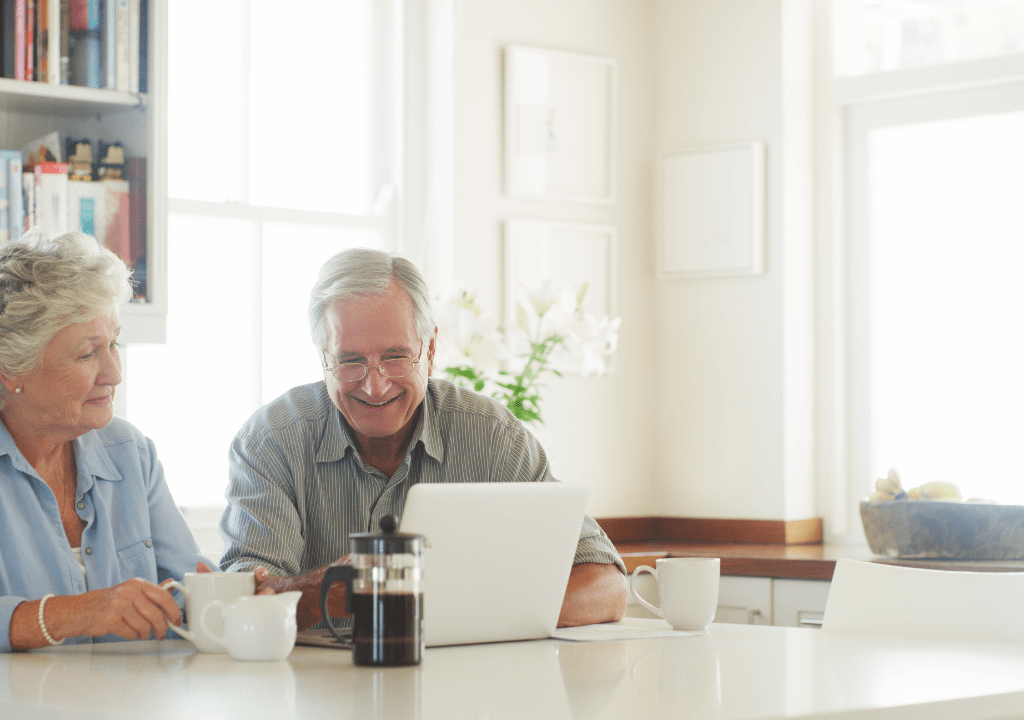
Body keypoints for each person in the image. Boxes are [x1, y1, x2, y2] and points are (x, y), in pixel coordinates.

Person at [219, 248, 628, 630]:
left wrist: (447, 610)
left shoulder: (491, 436)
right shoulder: (271, 441)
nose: (375, 387)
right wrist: (325, 592)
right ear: (324, 359)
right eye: (350, 361)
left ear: (430, 350)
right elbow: (244, 597)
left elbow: (605, 585)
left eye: (395, 357)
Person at [0, 229, 214, 652]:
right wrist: (72, 612)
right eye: (87, 354)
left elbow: (192, 591)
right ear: (12, 370)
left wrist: (236, 594)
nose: (114, 373)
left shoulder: (131, 453)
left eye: (113, 344)